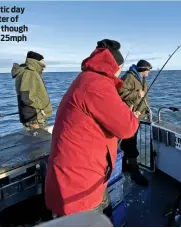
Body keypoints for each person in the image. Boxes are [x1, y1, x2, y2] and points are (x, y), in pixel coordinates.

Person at [44, 39, 140, 217]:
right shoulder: (98, 85)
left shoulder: (86, 79)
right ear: (115, 66)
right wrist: (132, 117)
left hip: (83, 178)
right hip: (78, 186)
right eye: (120, 66)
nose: (120, 72)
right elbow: (127, 128)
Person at [118, 60, 153, 186]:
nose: (148, 74)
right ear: (143, 69)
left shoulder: (143, 81)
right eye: (148, 71)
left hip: (137, 117)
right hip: (128, 117)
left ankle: (124, 165)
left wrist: (143, 111)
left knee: (129, 143)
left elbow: (145, 99)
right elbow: (119, 93)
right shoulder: (129, 77)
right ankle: (135, 172)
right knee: (131, 144)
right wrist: (137, 93)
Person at [11, 51, 52, 132]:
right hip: (34, 117)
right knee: (39, 141)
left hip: (30, 115)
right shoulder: (30, 73)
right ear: (37, 62)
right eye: (42, 62)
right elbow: (26, 97)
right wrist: (41, 108)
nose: (43, 65)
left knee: (34, 142)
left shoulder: (24, 71)